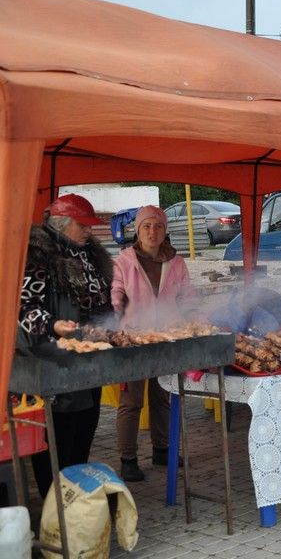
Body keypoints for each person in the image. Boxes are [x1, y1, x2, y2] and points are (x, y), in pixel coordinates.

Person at [17, 194, 114, 498]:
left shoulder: (89, 253)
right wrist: (53, 324)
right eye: (82, 225)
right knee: (59, 431)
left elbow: (102, 298)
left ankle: (74, 496)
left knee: (86, 423)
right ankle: (54, 501)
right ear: (62, 223)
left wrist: (108, 323)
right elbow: (23, 307)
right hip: (50, 360)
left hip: (86, 357)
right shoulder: (37, 254)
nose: (89, 231)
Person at [112, 205, 195, 481]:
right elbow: (115, 297)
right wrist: (117, 329)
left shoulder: (177, 262)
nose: (152, 231)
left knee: (163, 396)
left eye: (158, 226)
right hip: (133, 340)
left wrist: (196, 321)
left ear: (165, 231)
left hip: (166, 337)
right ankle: (128, 458)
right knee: (131, 400)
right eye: (146, 226)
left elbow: (188, 299)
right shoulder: (124, 261)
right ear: (137, 229)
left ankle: (162, 449)